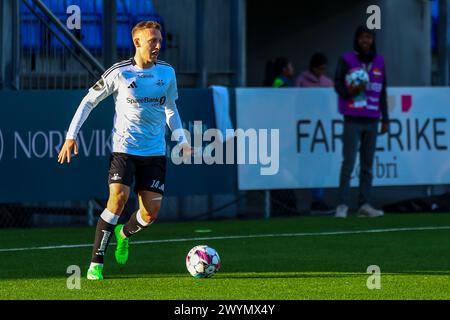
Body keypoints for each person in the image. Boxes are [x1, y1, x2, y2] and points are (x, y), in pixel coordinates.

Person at [58, 21, 192, 280]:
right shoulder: (119, 72)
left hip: (154, 152)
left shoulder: (167, 73)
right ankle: (96, 261)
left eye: (159, 40)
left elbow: (171, 107)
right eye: (152, 40)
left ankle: (123, 234)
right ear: (137, 42)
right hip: (124, 149)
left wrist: (181, 139)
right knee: (117, 198)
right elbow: (89, 101)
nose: (157, 45)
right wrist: (71, 136)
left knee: (149, 214)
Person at [334, 25, 389, 218]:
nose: (365, 41)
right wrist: (349, 91)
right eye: (362, 37)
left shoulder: (380, 61)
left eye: (369, 37)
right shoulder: (347, 59)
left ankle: (364, 205)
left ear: (373, 40)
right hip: (352, 117)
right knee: (348, 162)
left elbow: (383, 91)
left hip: (373, 118)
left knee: (367, 164)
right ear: (357, 40)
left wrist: (386, 118)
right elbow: (338, 83)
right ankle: (342, 205)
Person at [296, 53, 334, 214]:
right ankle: (309, 199)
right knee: (307, 165)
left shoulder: (328, 83)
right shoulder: (302, 81)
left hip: (323, 129)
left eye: (324, 69)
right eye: (319, 68)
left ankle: (317, 199)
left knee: (323, 163)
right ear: (313, 67)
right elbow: (295, 101)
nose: (321, 71)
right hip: (305, 129)